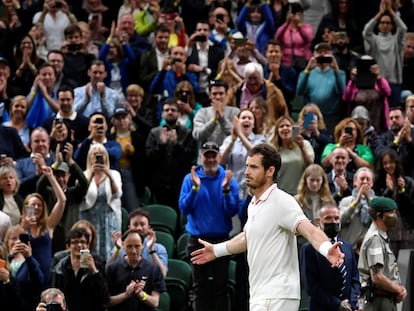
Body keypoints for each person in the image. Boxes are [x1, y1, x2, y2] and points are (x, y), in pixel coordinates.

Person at [191, 143, 345, 310]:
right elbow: (247, 237)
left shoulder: (282, 201)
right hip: (261, 295)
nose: (247, 172)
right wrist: (216, 250)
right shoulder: (253, 205)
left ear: (270, 171)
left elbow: (309, 229)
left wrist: (326, 248)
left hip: (278, 295)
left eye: (254, 167)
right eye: (247, 166)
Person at [178, 141, 240, 311]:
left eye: (214, 155)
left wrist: (226, 191)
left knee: (221, 286)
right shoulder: (189, 179)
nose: (211, 159)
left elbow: (232, 211)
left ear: (219, 157)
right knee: (200, 287)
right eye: (207, 155)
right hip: (197, 240)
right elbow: (184, 208)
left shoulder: (227, 178)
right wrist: (195, 188)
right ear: (201, 157)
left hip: (221, 240)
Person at [301, 204, 361, 311]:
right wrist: (337, 304)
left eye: (336, 218)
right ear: (318, 221)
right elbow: (311, 286)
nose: (333, 222)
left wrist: (352, 302)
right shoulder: (309, 249)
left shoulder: (346, 246)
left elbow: (355, 279)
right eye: (328, 218)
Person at [146, 99, 197, 212]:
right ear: (162, 113)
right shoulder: (154, 133)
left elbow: (189, 158)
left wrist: (176, 145)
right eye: (167, 110)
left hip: (179, 183)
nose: (170, 112)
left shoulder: (187, 133)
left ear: (179, 113)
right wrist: (161, 145)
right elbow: (149, 158)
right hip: (159, 184)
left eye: (173, 110)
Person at [37, 142, 88, 253]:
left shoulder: (74, 193)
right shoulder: (48, 193)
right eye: (57, 175)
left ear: (69, 176)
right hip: (52, 238)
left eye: (63, 175)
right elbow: (39, 186)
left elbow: (84, 183)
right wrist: (55, 165)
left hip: (71, 238)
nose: (60, 179)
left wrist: (71, 162)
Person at [358, 196, 407, 310]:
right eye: (391, 212)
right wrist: (399, 289)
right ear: (379, 215)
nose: (394, 216)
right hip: (378, 301)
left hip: (386, 298)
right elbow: (377, 277)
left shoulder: (382, 236)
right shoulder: (375, 239)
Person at [79, 143, 122, 260]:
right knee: (86, 249)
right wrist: (91, 175)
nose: (97, 157)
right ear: (89, 157)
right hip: (88, 219)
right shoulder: (83, 175)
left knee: (109, 253)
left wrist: (108, 175)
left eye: (101, 155)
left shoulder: (114, 174)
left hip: (108, 220)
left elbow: (117, 194)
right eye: (94, 155)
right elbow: (80, 196)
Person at [105, 228, 166, 311]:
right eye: (129, 246)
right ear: (123, 245)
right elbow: (106, 301)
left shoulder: (153, 269)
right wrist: (125, 295)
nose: (133, 251)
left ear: (142, 246)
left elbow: (155, 302)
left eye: (137, 246)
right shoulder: (112, 269)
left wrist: (141, 294)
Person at [51, 227, 109, 311]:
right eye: (75, 242)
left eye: (82, 242)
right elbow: (55, 296)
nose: (79, 245)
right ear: (68, 246)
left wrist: (94, 270)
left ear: (88, 245)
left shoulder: (98, 264)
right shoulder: (60, 268)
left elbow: (104, 297)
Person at [362, 0, 407, 108]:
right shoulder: (374, 40)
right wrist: (380, 13)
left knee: (394, 113)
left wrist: (391, 11)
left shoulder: (396, 40)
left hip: (394, 83)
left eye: (388, 23)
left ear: (392, 26)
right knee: (378, 115)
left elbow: (403, 28)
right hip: (377, 83)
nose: (385, 25)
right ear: (378, 25)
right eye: (382, 23)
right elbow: (366, 31)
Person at [296, 42, 346, 132]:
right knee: (308, 138)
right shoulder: (306, 73)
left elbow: (342, 92)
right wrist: (308, 69)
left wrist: (336, 70)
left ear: (331, 55)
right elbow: (299, 91)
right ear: (313, 55)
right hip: (310, 115)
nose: (323, 54)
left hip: (332, 117)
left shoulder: (340, 73)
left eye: (326, 52)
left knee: (329, 142)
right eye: (319, 52)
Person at [373, 148, 414, 256]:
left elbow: (410, 209)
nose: (388, 166)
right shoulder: (378, 183)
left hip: (406, 231)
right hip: (388, 230)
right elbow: (378, 208)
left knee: (407, 265)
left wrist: (402, 191)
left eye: (391, 162)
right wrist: (389, 191)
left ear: (396, 163)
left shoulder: (408, 182)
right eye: (385, 163)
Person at [220, 108, 266, 201]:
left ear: (253, 124)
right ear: (238, 122)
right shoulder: (229, 140)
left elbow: (256, 154)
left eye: (250, 118)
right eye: (243, 117)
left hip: (252, 190)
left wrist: (240, 134)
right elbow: (221, 162)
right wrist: (232, 141)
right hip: (232, 188)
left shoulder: (260, 139)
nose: (246, 120)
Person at [108, 208, 168, 277]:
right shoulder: (120, 247)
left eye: (142, 224)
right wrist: (117, 250)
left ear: (148, 227)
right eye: (135, 225)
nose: (139, 228)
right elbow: (107, 271)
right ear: (129, 228)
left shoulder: (159, 248)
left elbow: (163, 274)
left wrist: (152, 250)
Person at [342, 56, 391, 133]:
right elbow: (346, 98)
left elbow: (387, 92)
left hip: (377, 122)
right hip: (358, 124)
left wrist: (378, 77)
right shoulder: (354, 82)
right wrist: (352, 81)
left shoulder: (379, 81)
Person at [4, 224, 45, 311]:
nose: (17, 242)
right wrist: (10, 256)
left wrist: (28, 257)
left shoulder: (31, 262)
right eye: (13, 238)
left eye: (20, 238)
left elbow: (39, 281)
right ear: (7, 241)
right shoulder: (3, 260)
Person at [270, 115, 314, 195]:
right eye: (281, 126)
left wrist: (302, 147)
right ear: (277, 131)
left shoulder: (305, 144)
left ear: (293, 129)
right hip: (281, 193)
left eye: (288, 125)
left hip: (301, 193)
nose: (285, 128)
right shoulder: (273, 150)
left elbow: (310, 166)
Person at [192, 79, 240, 149]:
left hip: (229, 155)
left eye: (221, 93)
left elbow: (238, 134)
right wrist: (213, 121)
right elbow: (197, 135)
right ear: (209, 95)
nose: (218, 97)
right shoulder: (202, 112)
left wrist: (222, 119)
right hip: (206, 156)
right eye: (214, 94)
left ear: (226, 94)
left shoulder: (235, 112)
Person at [339, 167, 376, 252]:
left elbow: (379, 219)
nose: (365, 182)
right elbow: (342, 220)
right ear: (355, 181)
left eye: (368, 179)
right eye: (362, 179)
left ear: (372, 183)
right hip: (349, 248)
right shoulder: (346, 201)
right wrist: (355, 203)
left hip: (370, 249)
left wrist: (369, 200)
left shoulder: (377, 202)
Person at [375, 107, 414, 179]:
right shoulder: (383, 137)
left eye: (397, 117)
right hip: (389, 177)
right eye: (391, 118)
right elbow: (378, 155)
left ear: (405, 119)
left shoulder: (412, 133)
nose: (394, 120)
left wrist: (409, 140)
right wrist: (396, 143)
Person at [15, 127, 55, 197]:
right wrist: (36, 175)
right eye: (36, 141)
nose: (40, 144)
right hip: (27, 203)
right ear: (31, 144)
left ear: (48, 143)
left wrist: (44, 170)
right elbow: (17, 186)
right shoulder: (20, 163)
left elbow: (61, 183)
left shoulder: (56, 162)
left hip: (51, 203)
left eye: (43, 141)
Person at [274, 2, 313, 73]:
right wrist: (287, 23)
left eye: (297, 14)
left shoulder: (306, 27)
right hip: (286, 62)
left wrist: (299, 25)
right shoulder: (284, 28)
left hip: (302, 61)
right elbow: (276, 38)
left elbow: (308, 39)